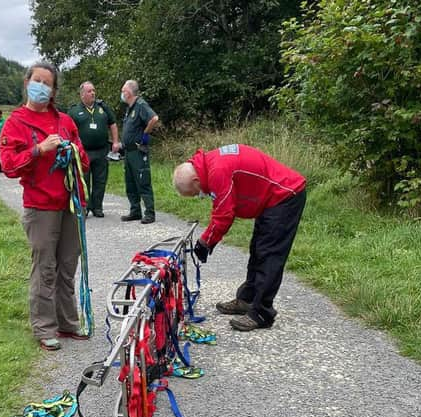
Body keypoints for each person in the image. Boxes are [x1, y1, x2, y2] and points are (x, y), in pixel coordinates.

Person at [0, 62, 90, 351]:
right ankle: (44, 327)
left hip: (70, 204)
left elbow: (83, 158)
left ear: (53, 90)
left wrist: (73, 151)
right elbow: (8, 165)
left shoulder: (65, 121)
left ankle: (68, 322)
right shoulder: (15, 122)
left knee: (68, 264)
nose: (41, 86)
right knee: (45, 266)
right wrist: (39, 150)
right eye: (37, 80)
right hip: (40, 206)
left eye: (47, 83)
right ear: (27, 83)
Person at [172, 144, 306, 331]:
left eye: (196, 193)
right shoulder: (209, 165)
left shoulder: (217, 171)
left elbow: (224, 214)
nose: (200, 196)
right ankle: (247, 299)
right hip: (268, 199)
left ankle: (262, 313)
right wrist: (208, 240)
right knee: (258, 248)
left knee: (269, 254)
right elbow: (223, 206)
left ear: (196, 180)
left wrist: (205, 242)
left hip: (284, 195)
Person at [68, 81, 120, 217]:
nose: (93, 93)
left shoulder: (102, 108)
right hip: (83, 152)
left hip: (102, 150)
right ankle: (85, 207)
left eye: (93, 90)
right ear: (82, 94)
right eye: (89, 91)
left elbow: (113, 123)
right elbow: (68, 130)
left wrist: (115, 142)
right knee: (84, 180)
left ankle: (97, 207)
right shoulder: (74, 111)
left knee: (100, 180)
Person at [119, 80, 159, 224]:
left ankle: (149, 213)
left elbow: (154, 118)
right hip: (128, 152)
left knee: (143, 181)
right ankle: (135, 211)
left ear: (128, 92)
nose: (122, 93)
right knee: (130, 182)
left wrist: (145, 135)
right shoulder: (130, 108)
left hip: (138, 151)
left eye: (123, 90)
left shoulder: (141, 105)